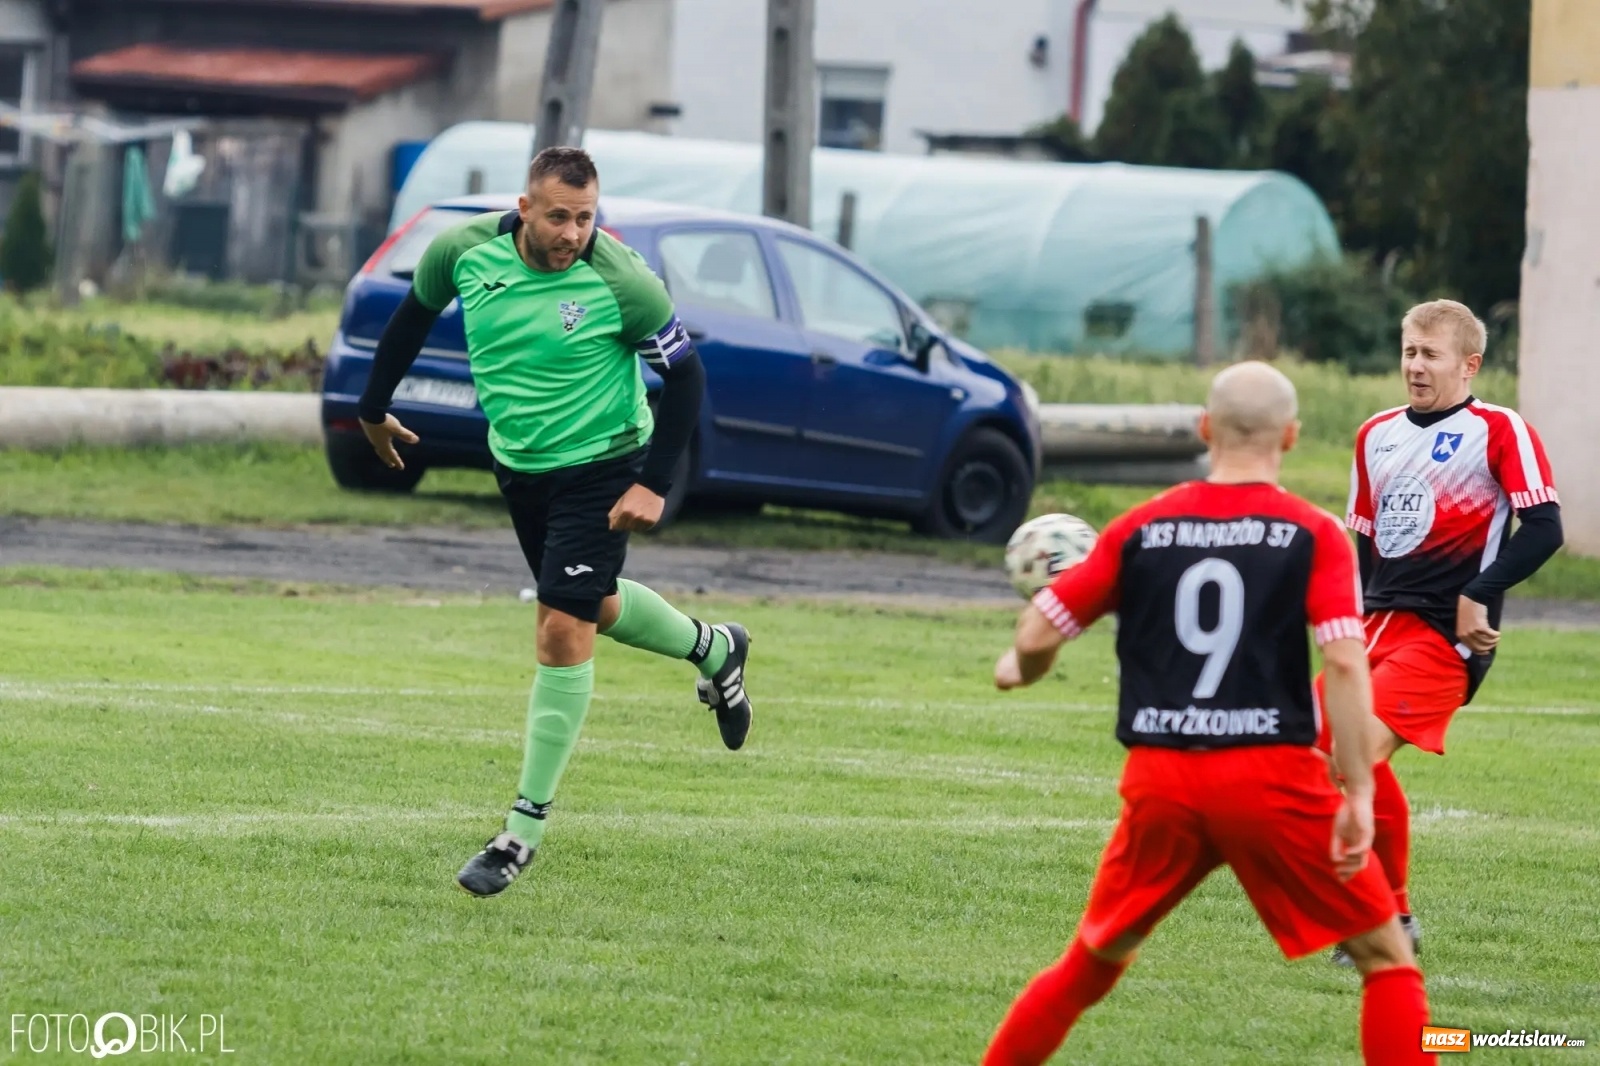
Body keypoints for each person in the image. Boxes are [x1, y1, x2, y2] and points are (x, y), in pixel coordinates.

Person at [982, 363, 1434, 1066]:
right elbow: (1346, 664)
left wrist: (1021, 669)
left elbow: (1038, 636)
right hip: (1273, 781)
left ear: (1203, 430)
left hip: (1162, 782)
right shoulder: (1312, 533)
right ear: (1290, 436)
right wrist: (1361, 790)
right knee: (1387, 959)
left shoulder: (1141, 526)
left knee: (1088, 966)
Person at [357, 146, 756, 897]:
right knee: (592, 605)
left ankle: (520, 832)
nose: (574, 231)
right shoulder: (464, 252)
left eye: (586, 216)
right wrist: (373, 411)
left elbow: (687, 375)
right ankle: (715, 648)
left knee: (560, 626)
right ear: (524, 208)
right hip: (521, 466)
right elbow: (411, 318)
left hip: (604, 462)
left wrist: (652, 483)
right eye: (560, 217)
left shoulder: (621, 277)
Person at [1321, 299, 1563, 961]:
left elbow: (1544, 527)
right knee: (1319, 751)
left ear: (1468, 364)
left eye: (1430, 355)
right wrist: (1349, 623)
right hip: (1377, 628)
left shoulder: (1499, 429)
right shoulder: (1375, 434)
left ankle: (1379, 920)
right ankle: (1394, 917)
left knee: (1355, 754)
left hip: (1442, 640)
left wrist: (1478, 594)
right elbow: (1366, 543)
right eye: (1409, 352)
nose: (1416, 367)